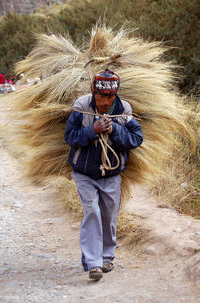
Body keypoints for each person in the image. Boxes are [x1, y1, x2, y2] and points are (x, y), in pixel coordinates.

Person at [64, 69, 143, 280]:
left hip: (112, 174)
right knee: (91, 212)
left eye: (110, 97)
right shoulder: (81, 108)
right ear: (93, 92)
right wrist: (93, 130)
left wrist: (115, 130)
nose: (106, 102)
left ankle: (107, 258)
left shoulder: (123, 110)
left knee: (108, 216)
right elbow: (70, 137)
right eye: (101, 96)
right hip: (84, 174)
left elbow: (136, 139)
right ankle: (93, 263)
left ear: (116, 94)